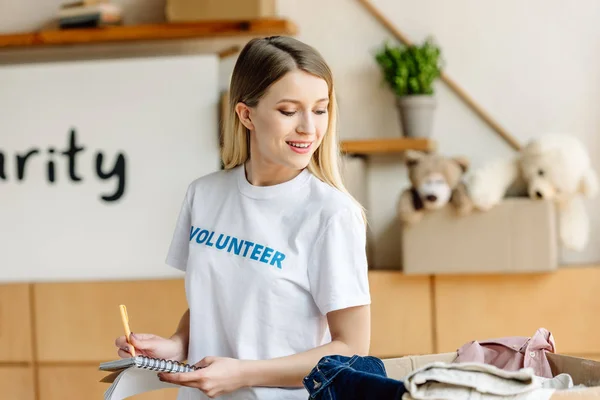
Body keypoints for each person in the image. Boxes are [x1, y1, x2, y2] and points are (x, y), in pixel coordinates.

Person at [114, 35, 372, 400]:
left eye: (320, 108)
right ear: (246, 114)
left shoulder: (331, 214)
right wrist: (176, 345)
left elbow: (352, 350)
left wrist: (242, 373)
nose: (309, 128)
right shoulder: (203, 195)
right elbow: (214, 301)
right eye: (288, 110)